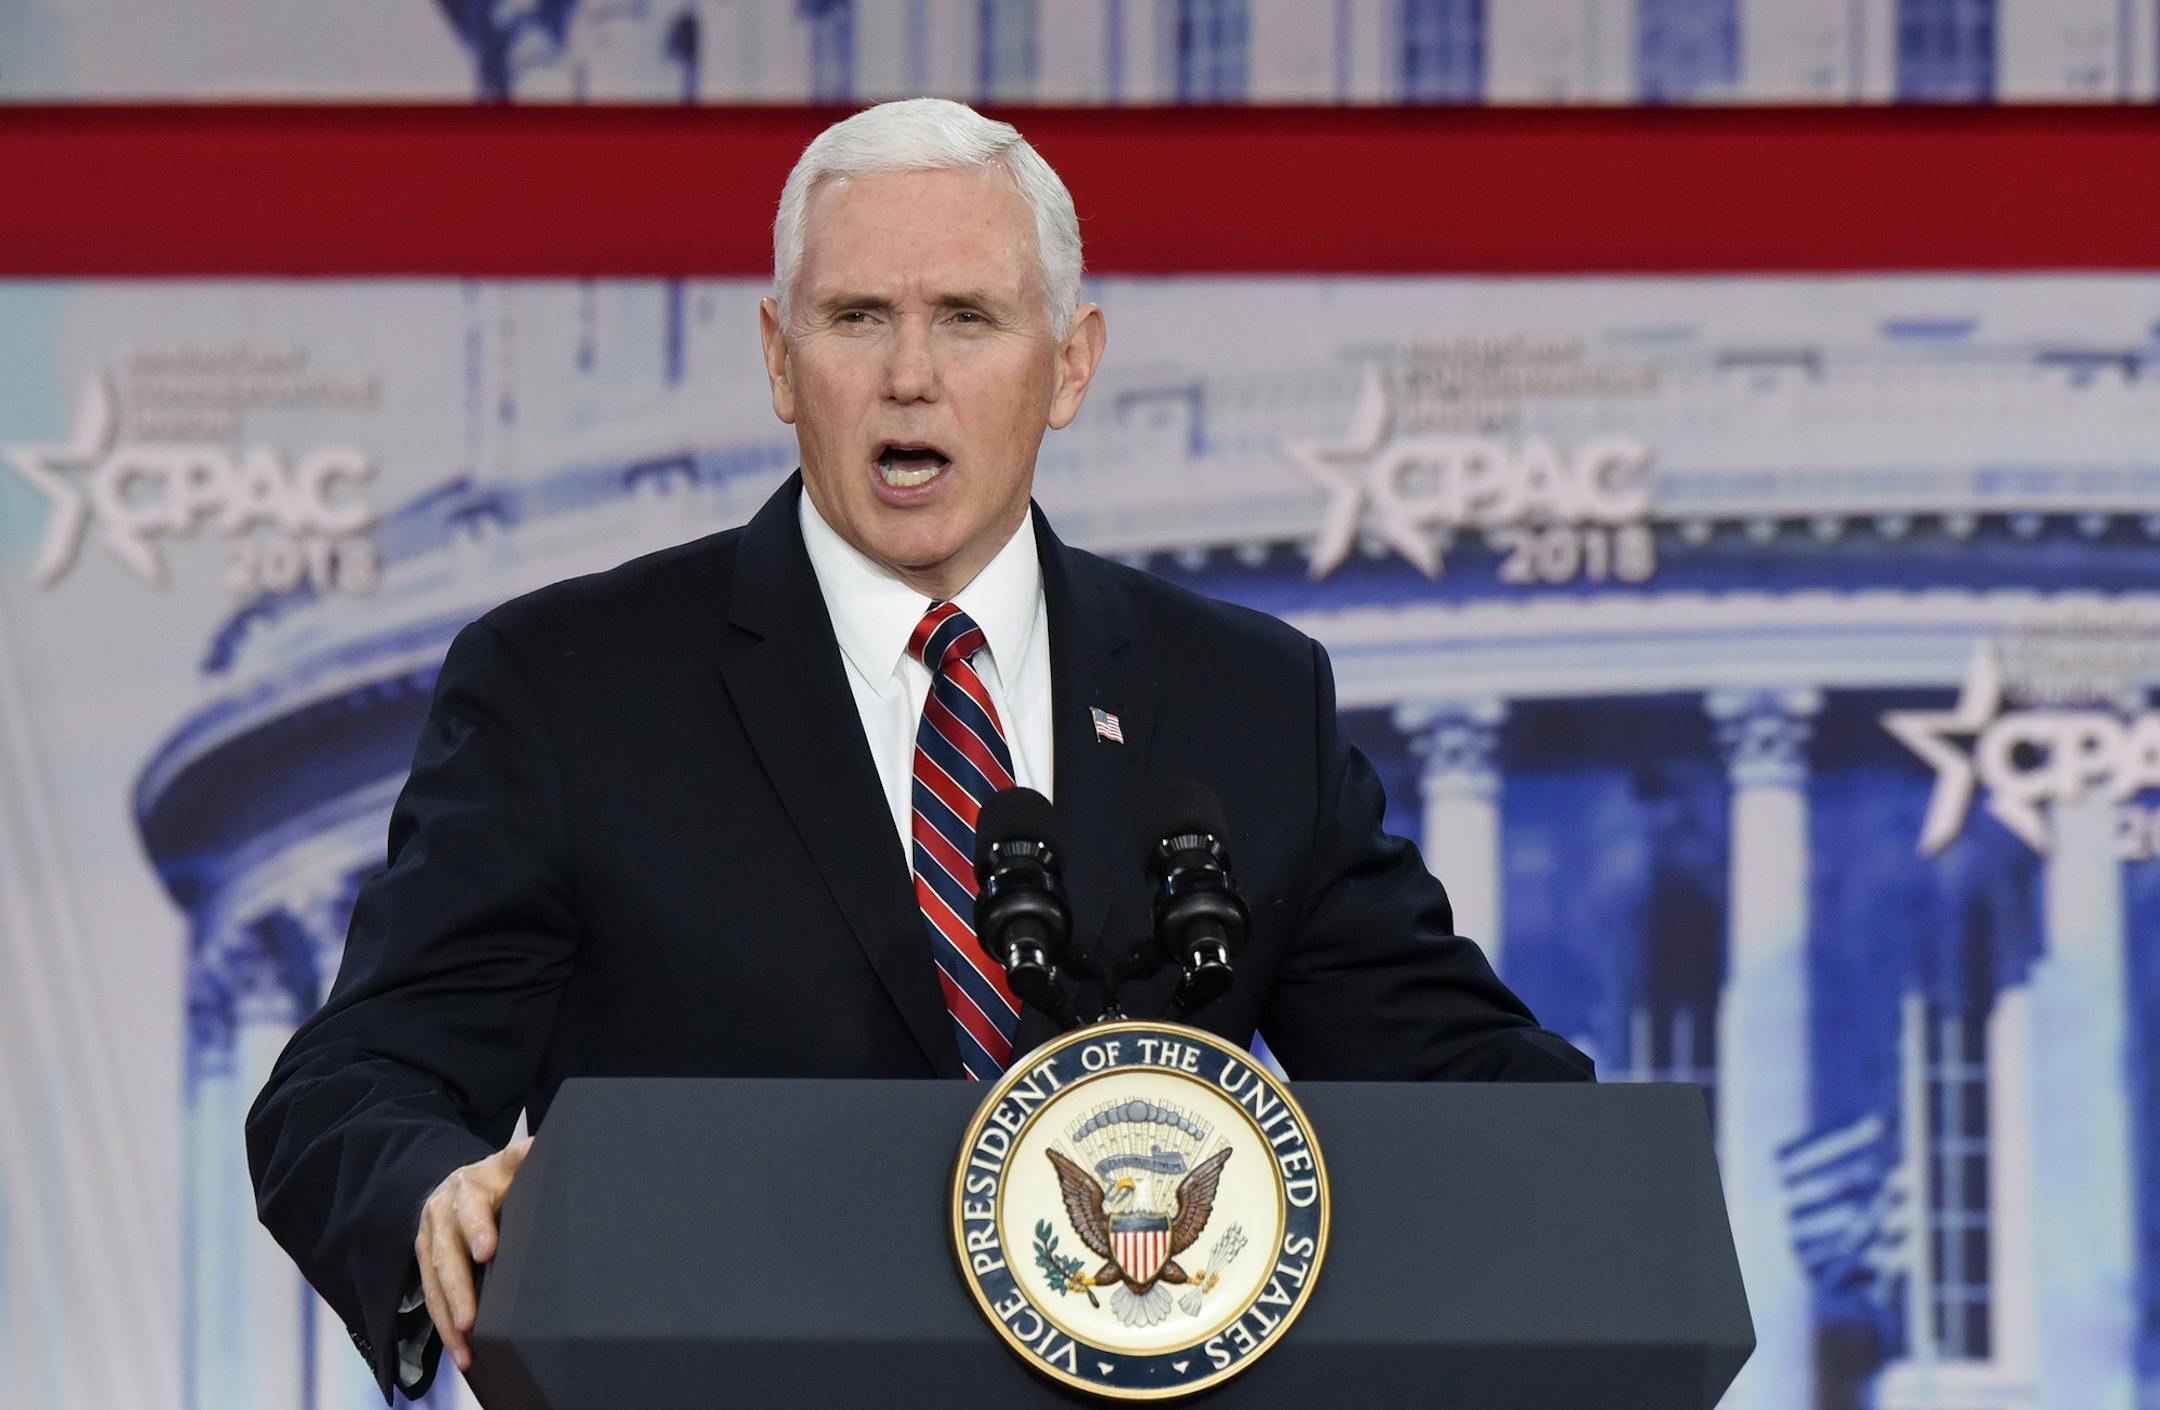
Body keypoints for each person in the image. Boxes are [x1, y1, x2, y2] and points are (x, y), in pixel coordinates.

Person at [247, 97, 1592, 1404]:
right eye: (857, 318)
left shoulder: (1243, 697)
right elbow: (349, 1084)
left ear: (1070, 363)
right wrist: (437, 1191)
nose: (910, 374)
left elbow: (1466, 1091)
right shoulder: (569, 686)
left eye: (967, 317)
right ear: (779, 360)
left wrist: (1631, 1181)